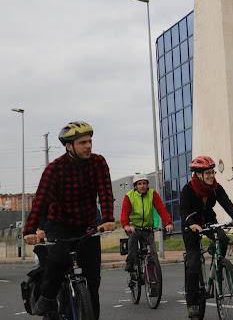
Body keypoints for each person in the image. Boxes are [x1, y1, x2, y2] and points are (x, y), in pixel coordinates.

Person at [23, 121, 116, 318]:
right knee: (55, 264)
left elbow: (106, 193)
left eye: (90, 141)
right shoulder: (55, 169)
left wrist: (107, 218)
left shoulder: (98, 162)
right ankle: (48, 298)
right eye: (82, 142)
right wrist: (30, 230)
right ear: (69, 146)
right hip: (60, 226)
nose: (88, 146)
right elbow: (41, 201)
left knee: (93, 283)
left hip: (88, 226)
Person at [181, 156, 233, 319]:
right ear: (198, 174)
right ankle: (193, 302)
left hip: (209, 222)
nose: (211, 176)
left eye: (212, 172)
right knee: (193, 263)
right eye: (207, 173)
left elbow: (227, 203)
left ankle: (219, 266)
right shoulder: (188, 189)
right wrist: (192, 224)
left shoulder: (215, 188)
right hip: (191, 225)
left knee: (223, 240)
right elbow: (184, 211)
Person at [121, 173, 174, 272]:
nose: (142, 186)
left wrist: (168, 223)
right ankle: (131, 262)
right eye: (139, 184)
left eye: (144, 183)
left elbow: (161, 209)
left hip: (147, 226)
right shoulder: (129, 196)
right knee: (133, 236)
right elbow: (124, 213)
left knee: (152, 252)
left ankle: (153, 277)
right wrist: (126, 226)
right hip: (133, 225)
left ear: (147, 184)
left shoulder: (153, 194)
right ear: (136, 186)